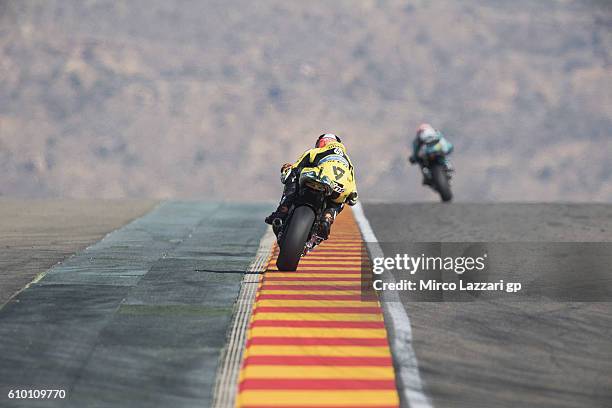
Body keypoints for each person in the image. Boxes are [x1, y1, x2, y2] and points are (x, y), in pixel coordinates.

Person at [265, 134, 358, 239]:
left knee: (292, 173)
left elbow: (296, 167)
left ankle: (283, 209)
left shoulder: (316, 152)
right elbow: (353, 196)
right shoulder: (348, 162)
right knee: (341, 200)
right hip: (340, 187)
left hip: (320, 178)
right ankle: (328, 217)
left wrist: (286, 169)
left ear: (322, 143)